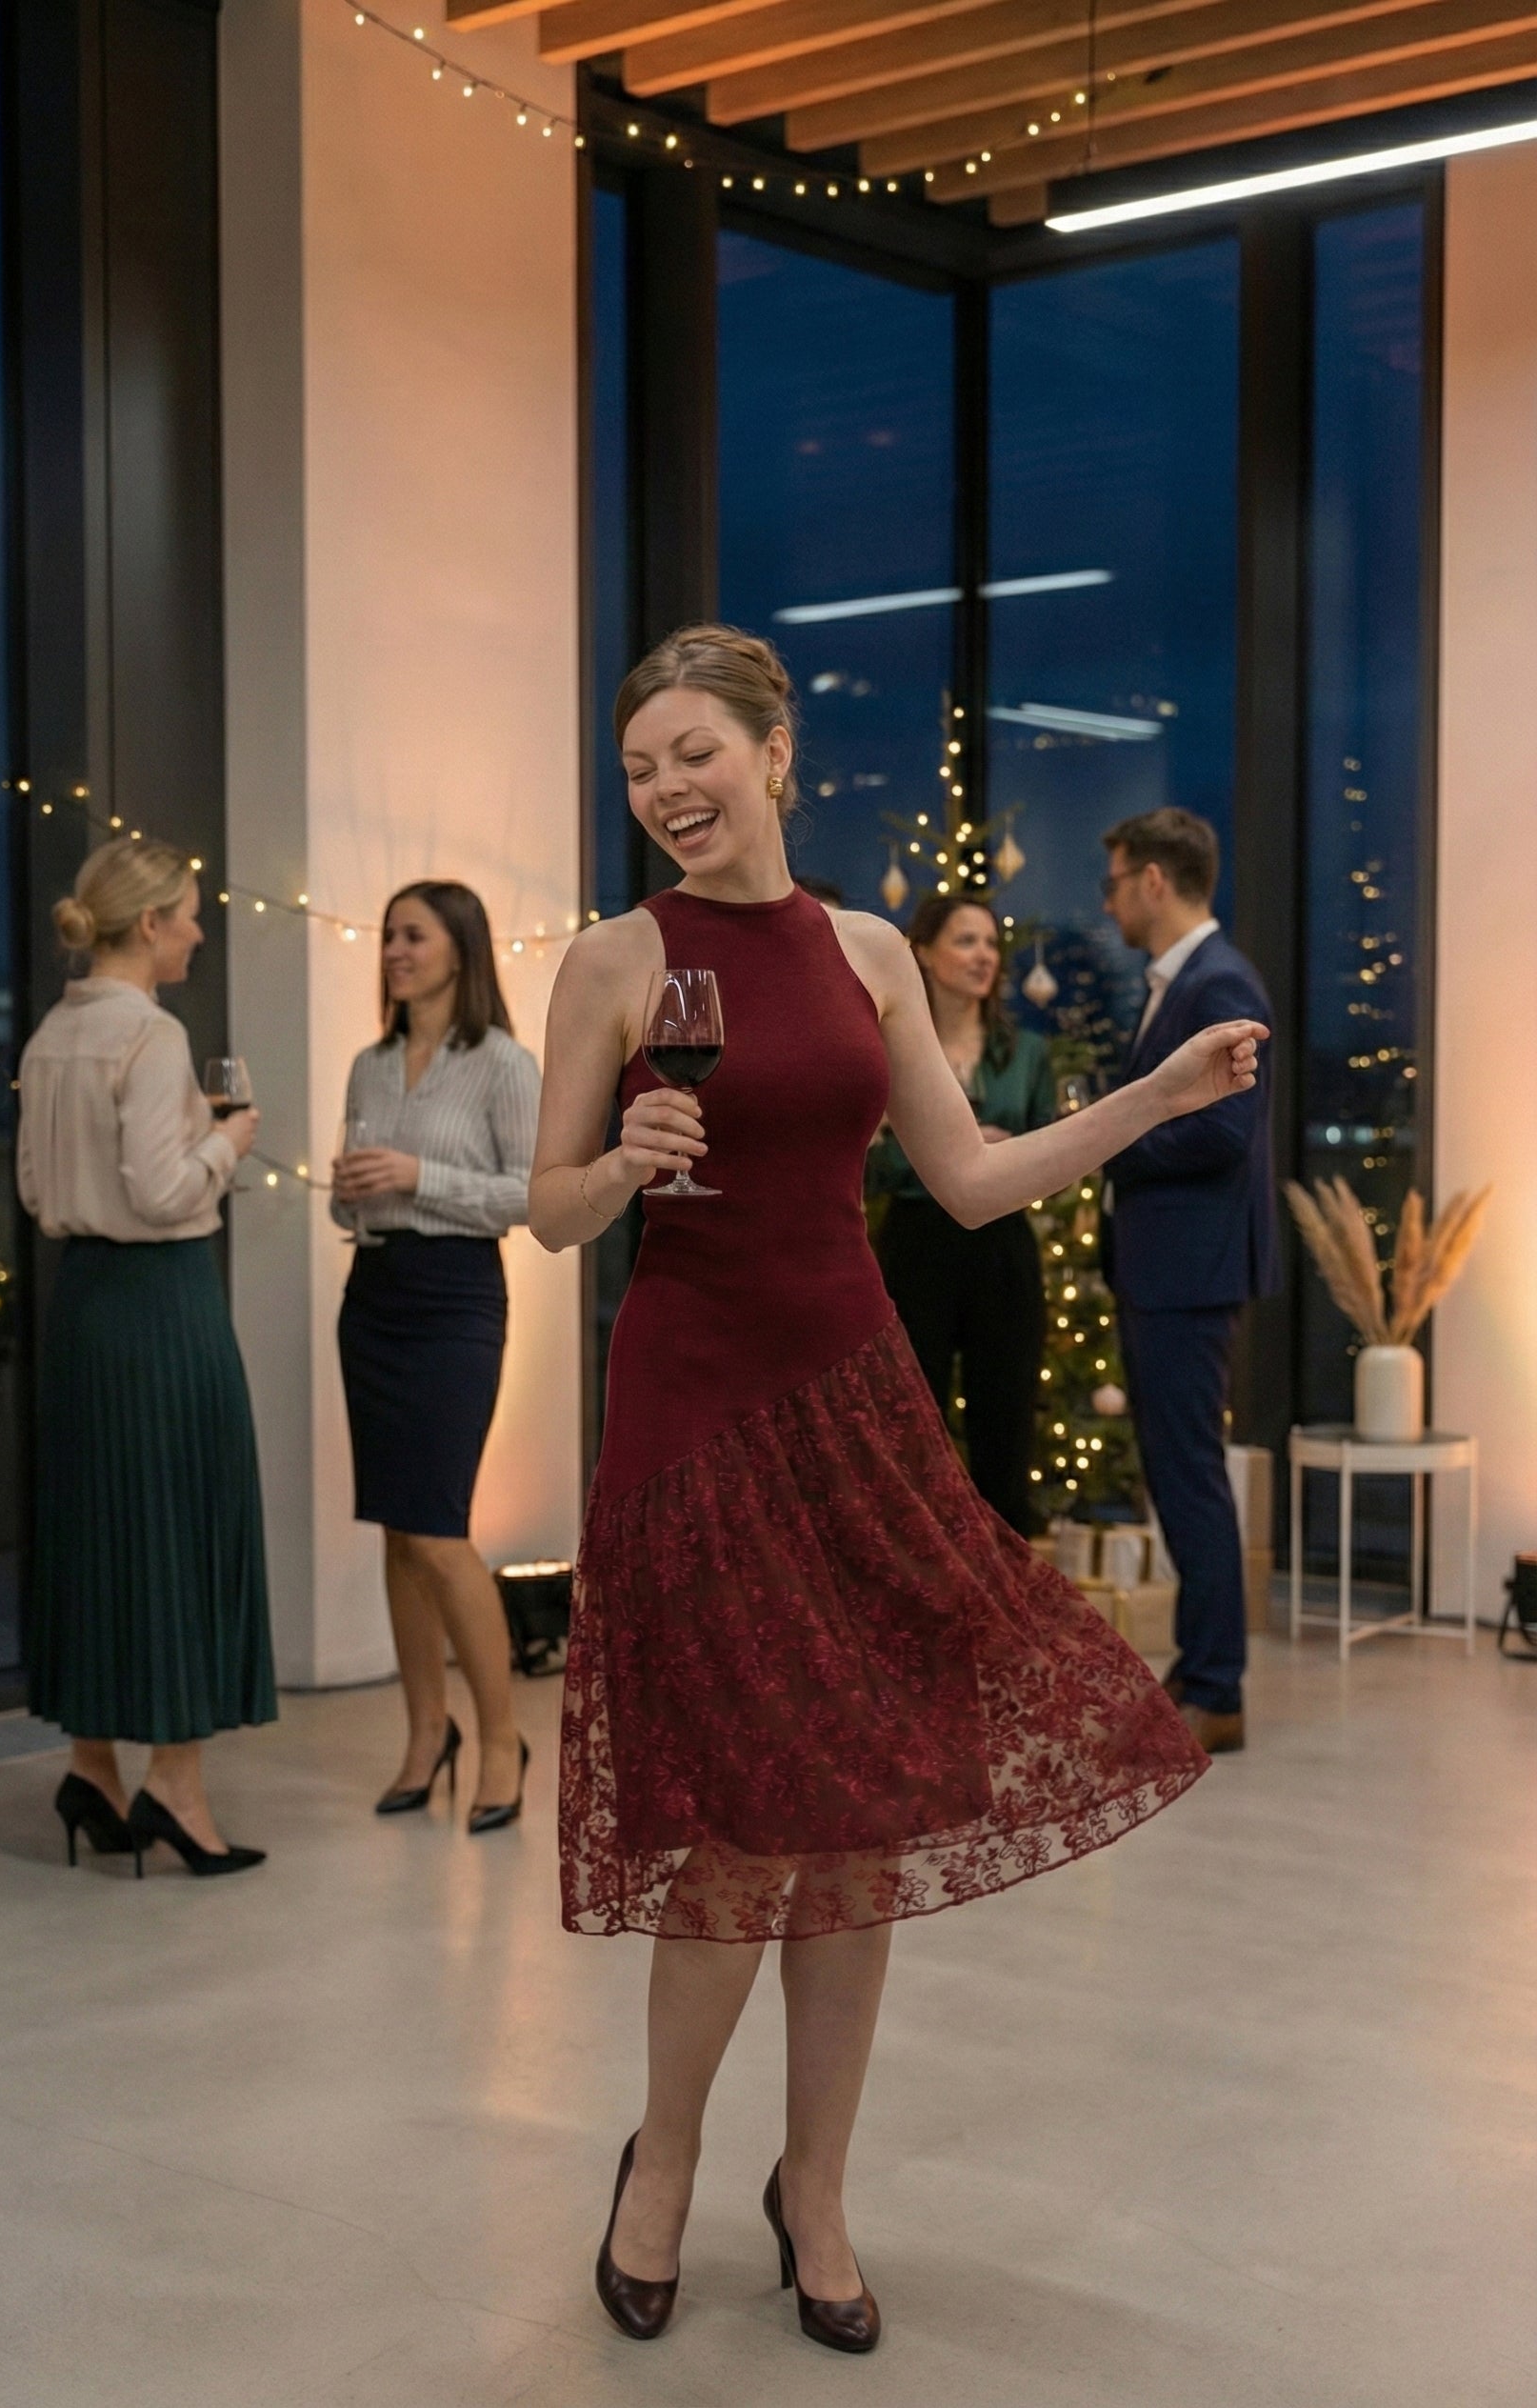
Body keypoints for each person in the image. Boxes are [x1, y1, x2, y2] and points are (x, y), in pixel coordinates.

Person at [529, 625, 1265, 2352]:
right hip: (695, 1412)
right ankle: (663, 2165)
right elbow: (550, 1210)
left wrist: (1157, 1094)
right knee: (742, 1821)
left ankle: (818, 2188)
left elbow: (974, 1179)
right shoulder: (612, 960)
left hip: (856, 1405)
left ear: (775, 753)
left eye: (695, 752)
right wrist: (616, 1163)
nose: (667, 790)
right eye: (640, 769)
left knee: (855, 1816)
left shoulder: (867, 951)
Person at [17, 837, 272, 1877]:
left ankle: (92, 1769)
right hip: (163, 1305)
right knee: (184, 1524)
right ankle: (176, 1784)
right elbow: (165, 1192)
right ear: (153, 923)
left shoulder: (51, 1033)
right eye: (192, 914)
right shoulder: (152, 1033)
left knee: (97, 1530)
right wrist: (229, 1143)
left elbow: (38, 1190)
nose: (200, 932)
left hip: (83, 1304)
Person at [331, 881, 540, 1833]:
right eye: (388, 936)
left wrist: (420, 1175)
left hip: (456, 1299)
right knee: (397, 1528)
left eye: (412, 935)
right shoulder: (369, 1065)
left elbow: (529, 1193)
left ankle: (501, 1739)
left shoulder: (504, 1063)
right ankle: (426, 1734)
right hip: (373, 1293)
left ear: (460, 947)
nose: (394, 951)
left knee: (440, 1529)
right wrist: (354, 1192)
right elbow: (351, 1201)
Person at [1099, 808, 1280, 1757]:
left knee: (1192, 1478)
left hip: (1188, 1271)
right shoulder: (1189, 980)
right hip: (1169, 1267)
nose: (1109, 903)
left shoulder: (1218, 981)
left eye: (1115, 882)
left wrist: (1105, 1134)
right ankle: (1198, 1669)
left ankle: (1217, 1689)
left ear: (1154, 881)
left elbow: (1221, 1130)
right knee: (1177, 1476)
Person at [869, 893, 1055, 1534]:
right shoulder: (888, 1048)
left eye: (991, 944)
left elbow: (1049, 1154)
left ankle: (1005, 1578)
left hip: (1001, 1246)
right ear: (923, 952)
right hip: (916, 1243)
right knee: (909, 1423)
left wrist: (1000, 1153)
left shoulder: (1028, 1053)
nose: (985, 956)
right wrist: (950, 1151)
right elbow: (868, 1163)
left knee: (1006, 1423)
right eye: (966, 941)